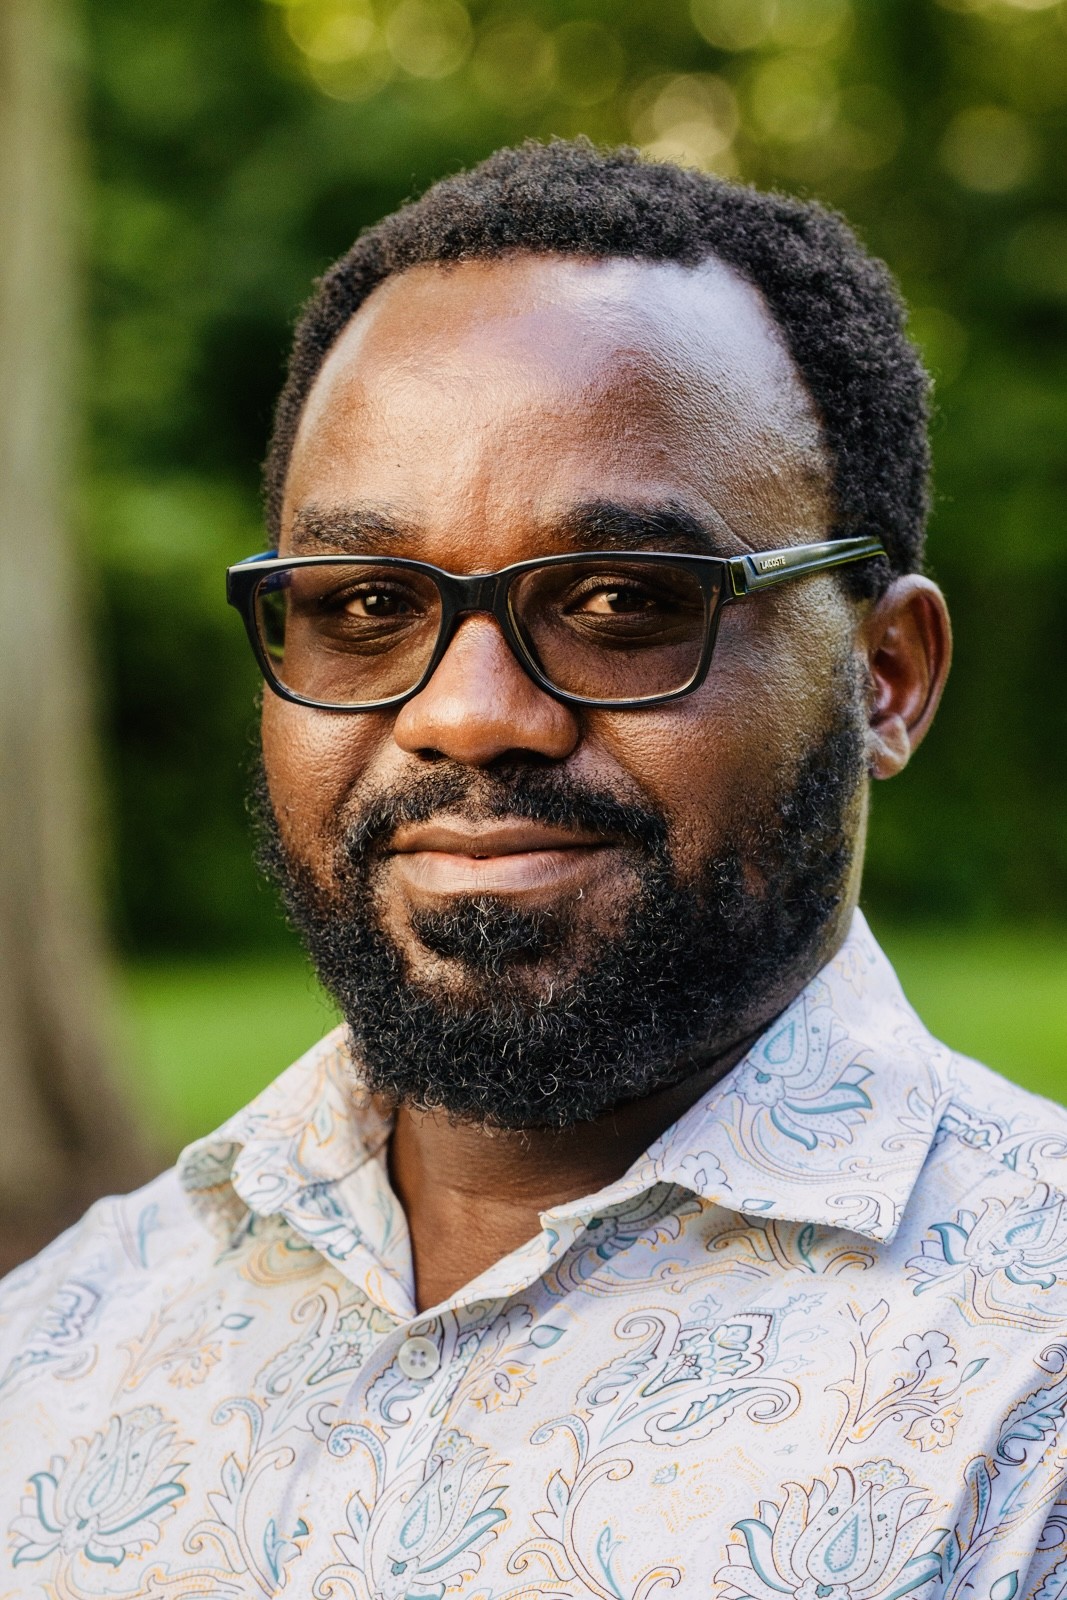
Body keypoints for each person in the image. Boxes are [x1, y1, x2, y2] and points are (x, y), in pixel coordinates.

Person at [2, 139, 1064, 1600]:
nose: (469, 713)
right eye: (368, 604)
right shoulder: (60, 1345)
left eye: (625, 602)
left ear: (885, 675)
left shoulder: (1032, 1387)